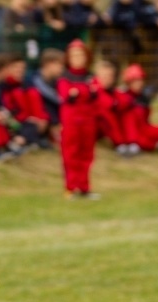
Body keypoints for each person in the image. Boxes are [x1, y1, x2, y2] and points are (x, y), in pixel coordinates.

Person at [58, 39, 100, 199]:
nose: (77, 58)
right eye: (74, 55)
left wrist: (79, 93)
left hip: (88, 120)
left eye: (80, 55)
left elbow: (96, 94)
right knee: (71, 153)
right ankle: (71, 187)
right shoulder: (65, 77)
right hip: (71, 121)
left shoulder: (90, 76)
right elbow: (67, 95)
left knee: (87, 153)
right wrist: (84, 93)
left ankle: (84, 187)